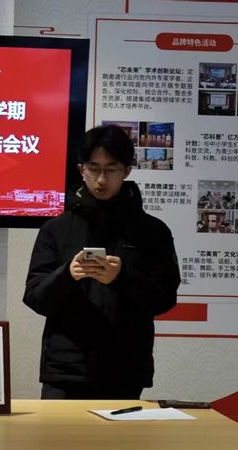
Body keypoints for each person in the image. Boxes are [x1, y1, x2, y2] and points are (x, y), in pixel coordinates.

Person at [22, 124, 181, 400]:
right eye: (93, 169)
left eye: (111, 169)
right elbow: (36, 298)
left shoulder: (153, 231)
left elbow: (164, 299)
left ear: (127, 171)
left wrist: (122, 278)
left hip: (125, 371)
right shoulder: (55, 229)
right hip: (65, 372)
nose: (101, 180)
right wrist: (67, 274)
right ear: (81, 169)